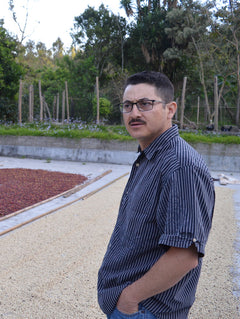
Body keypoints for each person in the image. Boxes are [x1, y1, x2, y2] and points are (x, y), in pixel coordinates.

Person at [97, 71, 215, 319]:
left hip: (145, 311)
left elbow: (184, 255)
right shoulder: (150, 158)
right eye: (128, 105)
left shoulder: (180, 166)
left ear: (170, 109)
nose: (135, 113)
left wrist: (129, 300)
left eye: (145, 104)